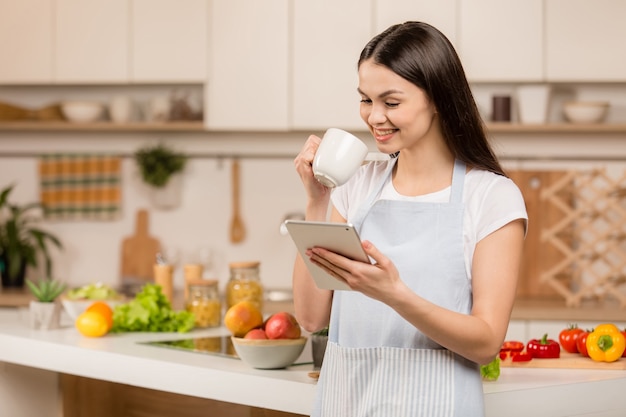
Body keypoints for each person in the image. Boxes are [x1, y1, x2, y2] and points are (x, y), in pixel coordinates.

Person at [292, 21, 527, 417]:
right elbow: (312, 317)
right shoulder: (357, 186)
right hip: (346, 403)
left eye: (392, 102)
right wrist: (317, 202)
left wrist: (394, 295)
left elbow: (486, 341)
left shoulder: (491, 197)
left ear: (437, 98)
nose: (374, 117)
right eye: (366, 100)